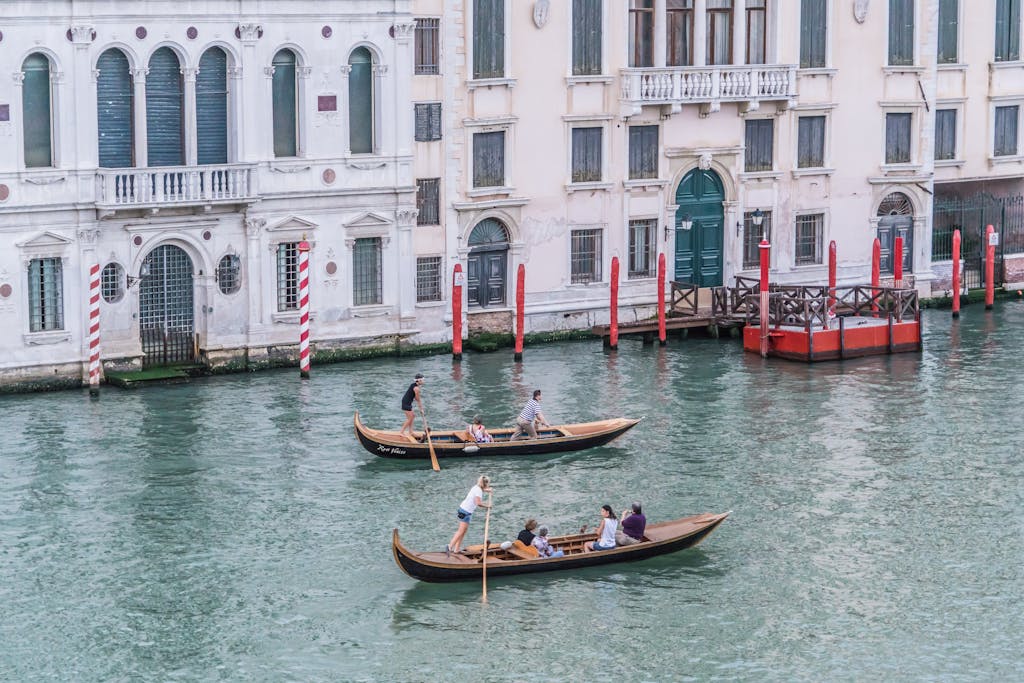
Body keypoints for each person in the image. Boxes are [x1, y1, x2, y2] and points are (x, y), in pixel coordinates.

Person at [447, 475, 492, 555]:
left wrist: (487, 490)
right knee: (461, 531)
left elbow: (480, 491)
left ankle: (456, 549)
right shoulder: (478, 491)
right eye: (487, 484)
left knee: (463, 531)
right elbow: (478, 503)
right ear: (485, 484)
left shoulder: (476, 487)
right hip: (465, 512)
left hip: (465, 511)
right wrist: (488, 505)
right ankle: (449, 546)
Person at [399, 373, 425, 438]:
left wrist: (418, 396)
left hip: (407, 402)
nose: (423, 381)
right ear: (418, 381)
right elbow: (418, 400)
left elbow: (416, 398)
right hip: (406, 403)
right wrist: (421, 409)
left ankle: (411, 432)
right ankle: (401, 432)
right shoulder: (416, 388)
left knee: (413, 416)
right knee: (410, 418)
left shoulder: (414, 386)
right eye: (422, 380)